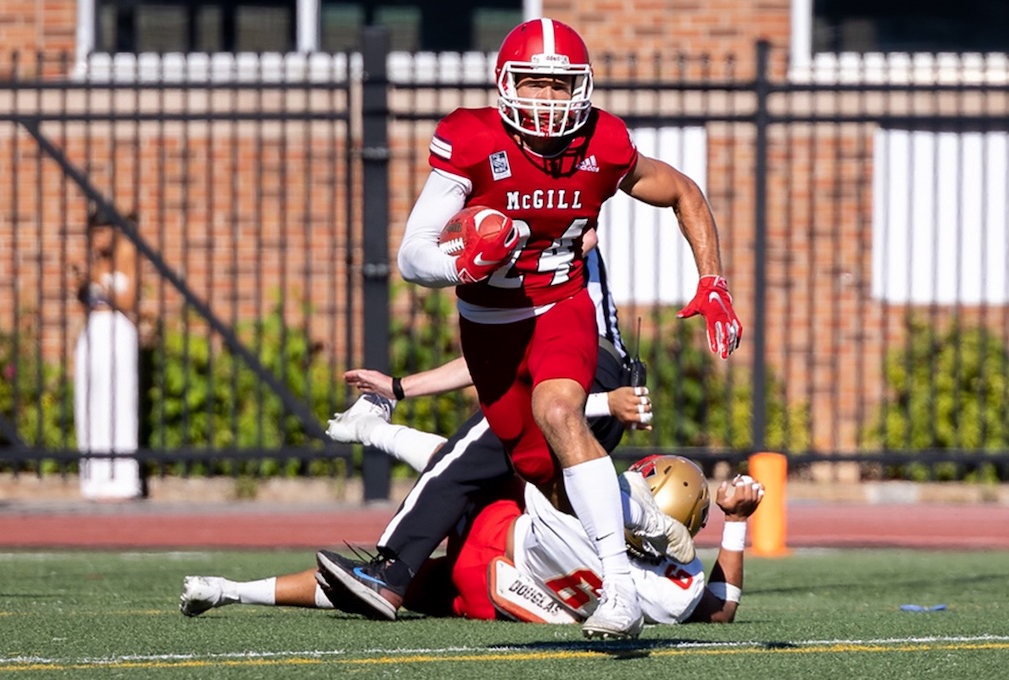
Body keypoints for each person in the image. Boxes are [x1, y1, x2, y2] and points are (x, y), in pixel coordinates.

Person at [317, 17, 742, 640]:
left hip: (559, 307)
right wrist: (460, 262)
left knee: (561, 410)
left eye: (559, 85)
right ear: (506, 84)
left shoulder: (604, 143)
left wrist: (713, 280)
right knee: (541, 476)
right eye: (534, 84)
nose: (546, 100)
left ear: (583, 87)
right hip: (489, 327)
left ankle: (621, 593)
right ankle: (646, 522)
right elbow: (412, 254)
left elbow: (684, 191)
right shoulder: (471, 137)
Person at [180, 452, 764, 626]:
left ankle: (231, 587)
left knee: (472, 461)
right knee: (378, 590)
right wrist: (736, 521)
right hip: (495, 596)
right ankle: (228, 590)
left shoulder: (585, 500)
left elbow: (467, 455)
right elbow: (722, 608)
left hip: (501, 532)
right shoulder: (670, 592)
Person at [72, 207, 143, 501]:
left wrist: (101, 286)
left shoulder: (128, 255)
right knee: (89, 402)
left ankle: (123, 479)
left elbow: (128, 300)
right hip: (94, 329)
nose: (96, 239)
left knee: (118, 401)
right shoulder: (96, 261)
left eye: (101, 231)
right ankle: (94, 477)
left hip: (117, 329)